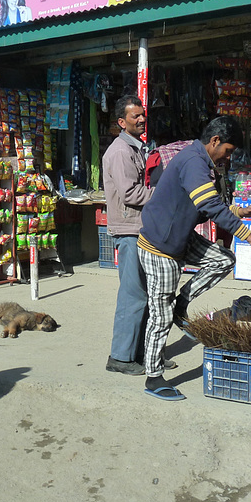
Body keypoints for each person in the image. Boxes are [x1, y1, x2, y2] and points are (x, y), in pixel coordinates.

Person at [137, 115, 251, 400]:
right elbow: (208, 204)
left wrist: (237, 213)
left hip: (179, 238)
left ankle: (181, 302)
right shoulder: (194, 161)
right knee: (159, 316)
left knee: (223, 259)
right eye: (228, 151)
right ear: (214, 141)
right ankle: (153, 377)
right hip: (159, 246)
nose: (228, 157)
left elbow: (202, 208)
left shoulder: (201, 160)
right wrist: (250, 237)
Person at [102, 95, 154, 375]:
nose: (142, 119)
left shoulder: (136, 148)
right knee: (133, 296)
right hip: (129, 230)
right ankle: (120, 357)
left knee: (145, 294)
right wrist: (162, 195)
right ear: (122, 122)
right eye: (135, 116)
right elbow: (131, 193)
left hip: (139, 229)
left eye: (142, 114)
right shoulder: (121, 151)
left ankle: (144, 353)